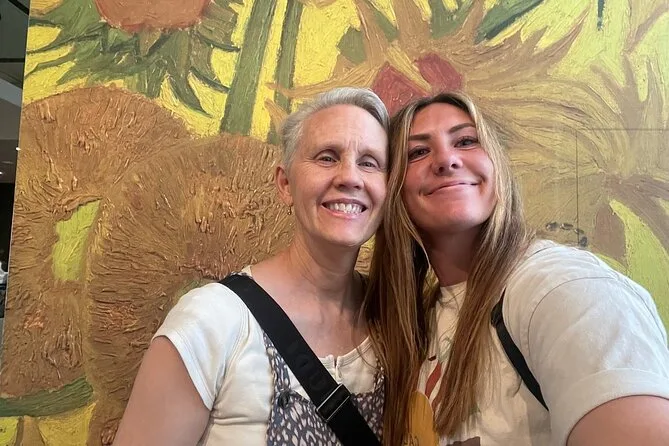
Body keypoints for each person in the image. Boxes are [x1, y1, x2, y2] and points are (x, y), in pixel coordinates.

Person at [365, 91, 669, 446]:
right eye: (417, 152)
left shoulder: (562, 288)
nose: (446, 159)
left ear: (498, 166)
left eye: (466, 141)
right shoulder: (420, 317)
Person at [114, 87, 394, 445]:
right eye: (327, 157)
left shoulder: (396, 323)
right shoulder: (212, 321)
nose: (350, 177)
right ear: (285, 184)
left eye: (369, 162)